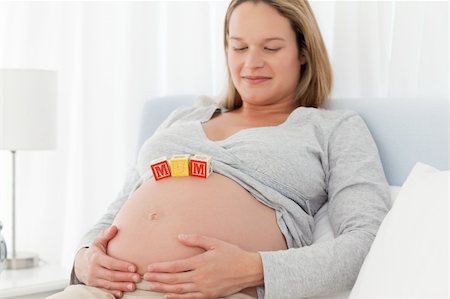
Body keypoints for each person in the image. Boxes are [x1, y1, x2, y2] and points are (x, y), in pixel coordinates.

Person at [48, 0, 390, 298]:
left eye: (270, 48)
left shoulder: (333, 128)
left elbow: (366, 240)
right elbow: (115, 211)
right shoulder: (181, 118)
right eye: (239, 47)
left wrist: (256, 269)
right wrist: (84, 257)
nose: (251, 63)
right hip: (98, 291)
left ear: (303, 52)